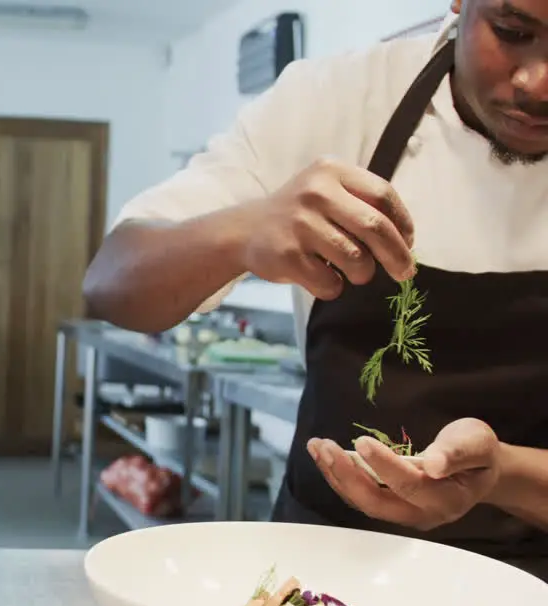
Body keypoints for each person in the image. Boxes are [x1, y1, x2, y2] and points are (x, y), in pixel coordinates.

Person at [83, 1, 548, 570]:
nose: (537, 82)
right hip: (324, 579)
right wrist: (242, 232)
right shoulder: (337, 100)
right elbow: (112, 282)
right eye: (512, 31)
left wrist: (500, 474)